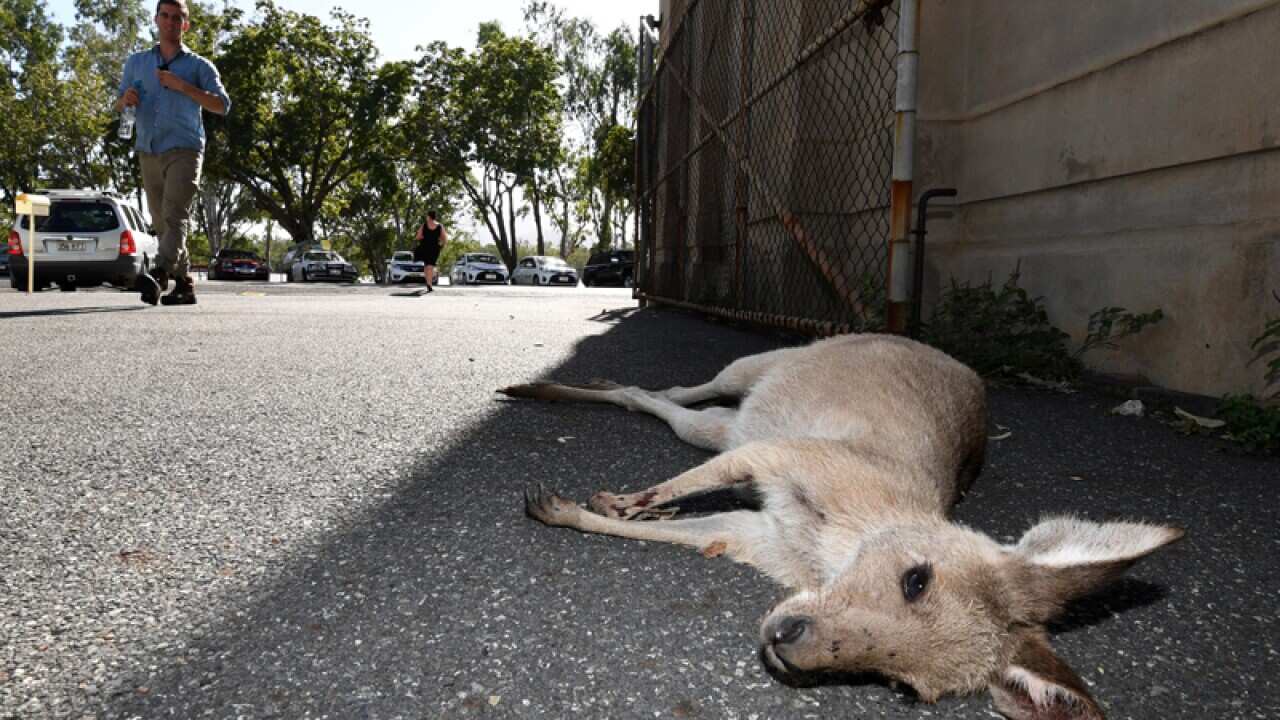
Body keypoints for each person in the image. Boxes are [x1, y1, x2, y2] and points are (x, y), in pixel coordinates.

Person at [116, 0, 230, 306]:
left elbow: (222, 105)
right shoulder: (137, 62)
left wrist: (184, 87)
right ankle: (185, 284)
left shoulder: (199, 66)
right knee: (162, 223)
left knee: (175, 214)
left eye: (177, 17)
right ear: (156, 19)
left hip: (185, 148)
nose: (170, 22)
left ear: (185, 25)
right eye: (165, 16)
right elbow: (118, 103)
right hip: (148, 148)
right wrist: (125, 100)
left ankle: (160, 273)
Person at [414, 211, 447, 292]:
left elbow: (418, 237)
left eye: (427, 216)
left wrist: (423, 237)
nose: (426, 217)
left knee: (426, 265)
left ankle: (428, 283)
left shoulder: (424, 225)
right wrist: (442, 245)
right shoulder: (440, 226)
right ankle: (429, 284)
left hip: (425, 247)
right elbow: (444, 238)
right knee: (430, 266)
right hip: (435, 248)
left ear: (429, 217)